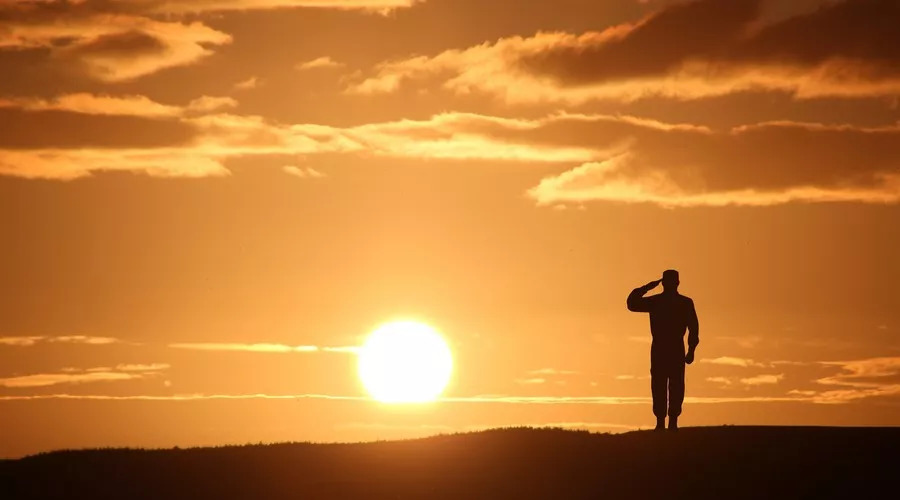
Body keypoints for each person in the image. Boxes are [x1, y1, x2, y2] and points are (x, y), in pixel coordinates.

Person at [627, 270, 699, 431]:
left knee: (672, 384)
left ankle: (670, 421)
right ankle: (662, 422)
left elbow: (693, 327)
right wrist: (647, 287)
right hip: (663, 347)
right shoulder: (663, 302)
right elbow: (631, 304)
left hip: (670, 348)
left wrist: (691, 349)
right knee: (662, 384)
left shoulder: (678, 302)